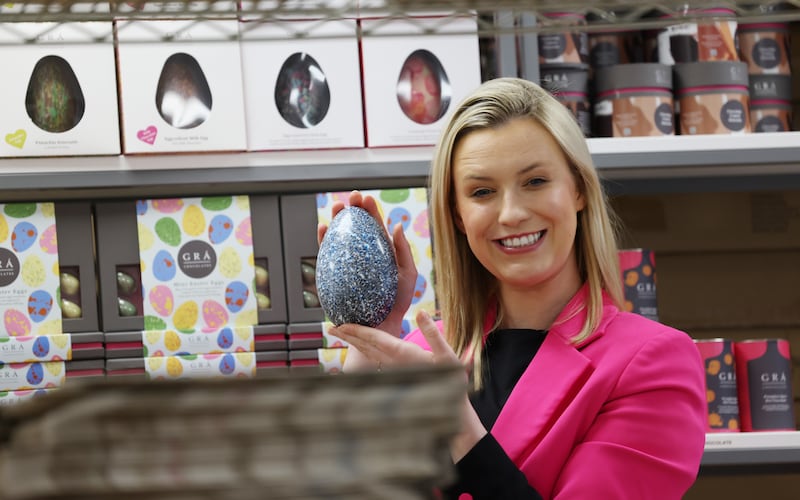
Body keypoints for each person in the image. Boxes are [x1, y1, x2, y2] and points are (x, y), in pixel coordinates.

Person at [321, 77, 706, 499]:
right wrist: (368, 345)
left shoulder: (653, 364)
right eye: (482, 191)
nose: (511, 213)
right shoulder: (421, 354)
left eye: (535, 181)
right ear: (458, 216)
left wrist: (456, 420)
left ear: (578, 189)